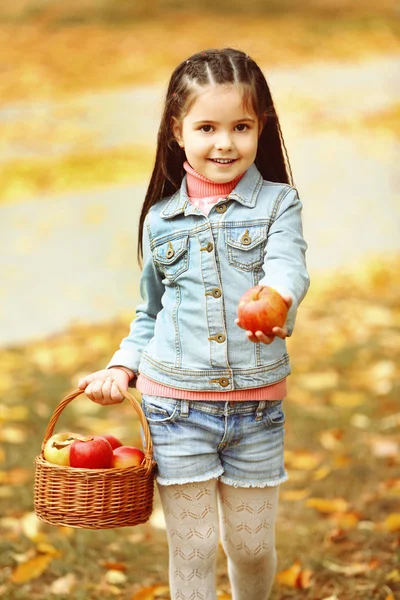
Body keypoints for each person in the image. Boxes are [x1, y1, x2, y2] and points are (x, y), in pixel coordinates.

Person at [78, 48, 310, 600]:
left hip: (256, 410)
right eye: (207, 127)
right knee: (195, 547)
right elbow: (150, 314)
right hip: (175, 409)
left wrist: (275, 299)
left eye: (241, 126)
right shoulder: (161, 219)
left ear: (261, 129)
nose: (224, 142)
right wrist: (121, 367)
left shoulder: (278, 204)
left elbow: (288, 265)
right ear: (178, 132)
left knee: (251, 547)